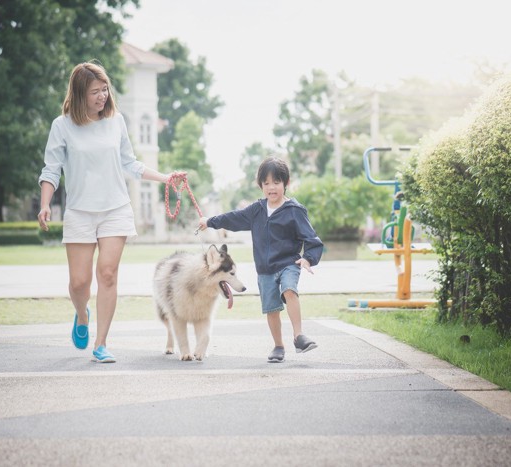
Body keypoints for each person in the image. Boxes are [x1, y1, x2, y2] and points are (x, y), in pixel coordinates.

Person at [37, 61, 184, 363]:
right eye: (95, 92)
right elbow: (51, 170)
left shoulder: (116, 121)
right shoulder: (61, 126)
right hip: (79, 211)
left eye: (104, 90)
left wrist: (165, 177)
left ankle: (101, 343)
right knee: (79, 283)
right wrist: (44, 205)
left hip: (115, 209)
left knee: (107, 274)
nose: (102, 96)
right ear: (79, 94)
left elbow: (130, 163)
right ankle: (81, 315)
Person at [198, 156, 324, 363]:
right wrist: (210, 221)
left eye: (276, 182)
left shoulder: (294, 211)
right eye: (266, 183)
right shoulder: (256, 210)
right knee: (272, 309)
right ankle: (278, 346)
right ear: (261, 185)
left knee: (290, 290)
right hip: (265, 269)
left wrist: (308, 259)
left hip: (288, 264)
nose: (271, 187)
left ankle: (299, 336)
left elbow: (311, 238)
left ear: (286, 183)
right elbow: (233, 218)